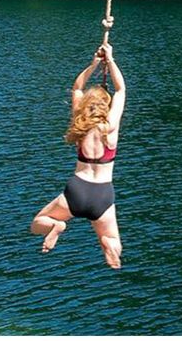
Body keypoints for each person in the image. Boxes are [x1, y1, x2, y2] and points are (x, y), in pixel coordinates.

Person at [30, 42, 125, 268]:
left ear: (85, 107)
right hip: (102, 193)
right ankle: (108, 248)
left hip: (77, 189)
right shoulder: (110, 127)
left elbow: (76, 89)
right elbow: (121, 90)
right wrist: (110, 60)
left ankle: (57, 227)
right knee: (111, 238)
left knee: (37, 224)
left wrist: (93, 64)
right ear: (106, 107)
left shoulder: (79, 124)